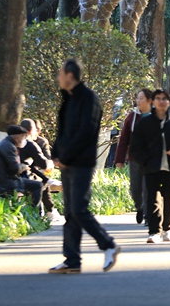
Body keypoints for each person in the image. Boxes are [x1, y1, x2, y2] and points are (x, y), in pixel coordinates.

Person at [49, 57, 119, 273]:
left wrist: (66, 155)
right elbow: (62, 132)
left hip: (81, 163)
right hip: (68, 162)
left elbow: (86, 133)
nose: (58, 78)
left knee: (79, 209)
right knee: (70, 212)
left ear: (70, 76)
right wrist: (55, 153)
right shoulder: (68, 98)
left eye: (61, 74)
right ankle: (72, 260)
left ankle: (108, 244)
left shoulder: (89, 99)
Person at [129, 89, 170, 243]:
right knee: (152, 199)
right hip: (151, 167)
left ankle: (167, 230)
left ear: (169, 102)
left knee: (169, 199)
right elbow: (136, 146)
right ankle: (154, 232)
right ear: (153, 101)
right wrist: (145, 160)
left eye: (164, 99)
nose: (161, 101)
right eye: (158, 98)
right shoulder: (144, 123)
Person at [113, 88, 153, 225]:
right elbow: (124, 139)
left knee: (148, 187)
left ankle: (149, 215)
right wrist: (119, 159)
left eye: (141, 98)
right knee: (135, 188)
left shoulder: (156, 116)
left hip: (151, 159)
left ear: (149, 101)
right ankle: (139, 207)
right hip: (134, 158)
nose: (138, 101)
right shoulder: (132, 117)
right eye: (137, 98)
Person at [0, 125, 44, 208]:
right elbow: (15, 169)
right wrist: (24, 166)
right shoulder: (9, 147)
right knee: (38, 185)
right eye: (24, 137)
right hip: (2, 183)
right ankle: (33, 212)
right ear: (17, 137)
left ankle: (31, 211)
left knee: (33, 183)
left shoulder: (4, 144)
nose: (25, 140)